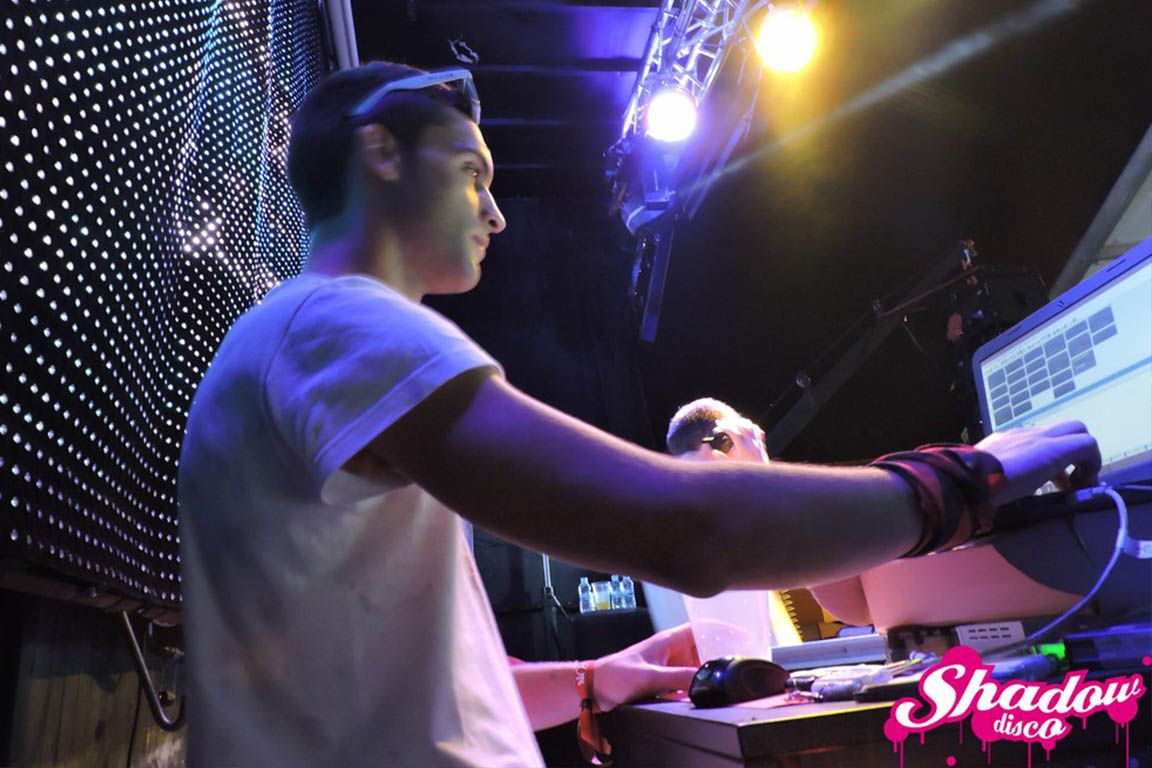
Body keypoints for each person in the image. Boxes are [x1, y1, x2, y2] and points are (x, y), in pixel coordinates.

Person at [177, 62, 1101, 767]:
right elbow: (690, 530)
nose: (496, 214)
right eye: (470, 172)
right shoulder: (340, 325)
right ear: (381, 151)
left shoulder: (304, 340)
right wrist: (961, 481)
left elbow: (414, 680)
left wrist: (596, 677)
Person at [645, 398, 800, 647]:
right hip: (754, 665)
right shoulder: (713, 512)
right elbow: (797, 549)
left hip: (721, 665)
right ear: (723, 441)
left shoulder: (662, 508)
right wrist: (760, 471)